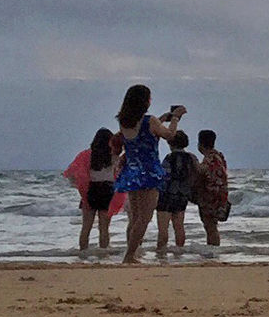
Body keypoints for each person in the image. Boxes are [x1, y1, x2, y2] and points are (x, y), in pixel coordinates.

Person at [112, 88, 179, 263]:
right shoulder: (150, 121)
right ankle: (129, 255)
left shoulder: (124, 123)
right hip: (149, 172)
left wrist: (163, 119)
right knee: (145, 217)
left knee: (134, 218)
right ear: (145, 101)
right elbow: (169, 135)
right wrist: (176, 118)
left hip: (132, 171)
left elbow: (143, 134)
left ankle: (131, 253)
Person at [68, 127, 122, 253]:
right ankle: (103, 253)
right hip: (108, 190)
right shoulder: (113, 156)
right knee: (104, 228)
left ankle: (83, 253)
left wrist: (79, 187)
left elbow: (72, 174)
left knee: (86, 227)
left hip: (91, 190)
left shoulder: (86, 155)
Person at [155, 132, 197, 252]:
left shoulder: (169, 157)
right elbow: (195, 174)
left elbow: (163, 175)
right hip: (182, 194)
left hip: (167, 194)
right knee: (179, 226)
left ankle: (161, 251)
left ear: (170, 143)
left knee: (163, 228)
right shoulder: (190, 158)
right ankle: (179, 251)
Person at [194, 128, 232, 248]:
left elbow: (201, 175)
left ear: (200, 144)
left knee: (210, 226)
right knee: (213, 226)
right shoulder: (219, 156)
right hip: (221, 195)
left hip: (210, 197)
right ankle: (214, 248)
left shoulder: (208, 160)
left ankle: (213, 249)